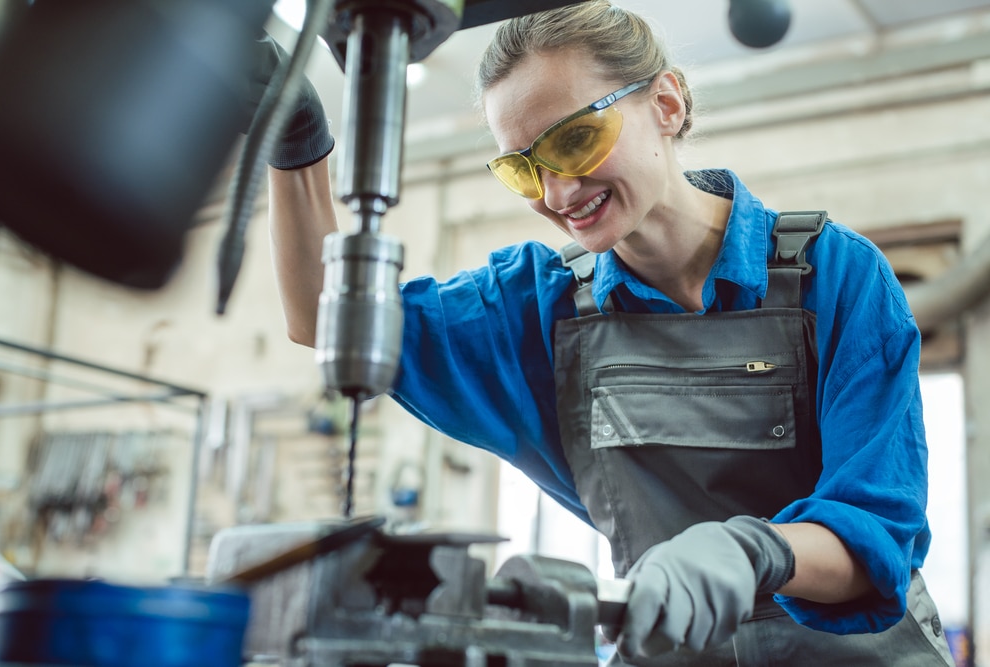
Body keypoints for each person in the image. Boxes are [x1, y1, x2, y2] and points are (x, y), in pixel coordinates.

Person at [257, 2, 955, 664]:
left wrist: (752, 552)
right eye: (524, 167)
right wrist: (297, 143)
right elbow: (328, 315)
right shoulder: (535, 308)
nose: (557, 193)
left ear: (667, 105)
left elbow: (877, 532)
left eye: (575, 139)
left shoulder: (834, 275)